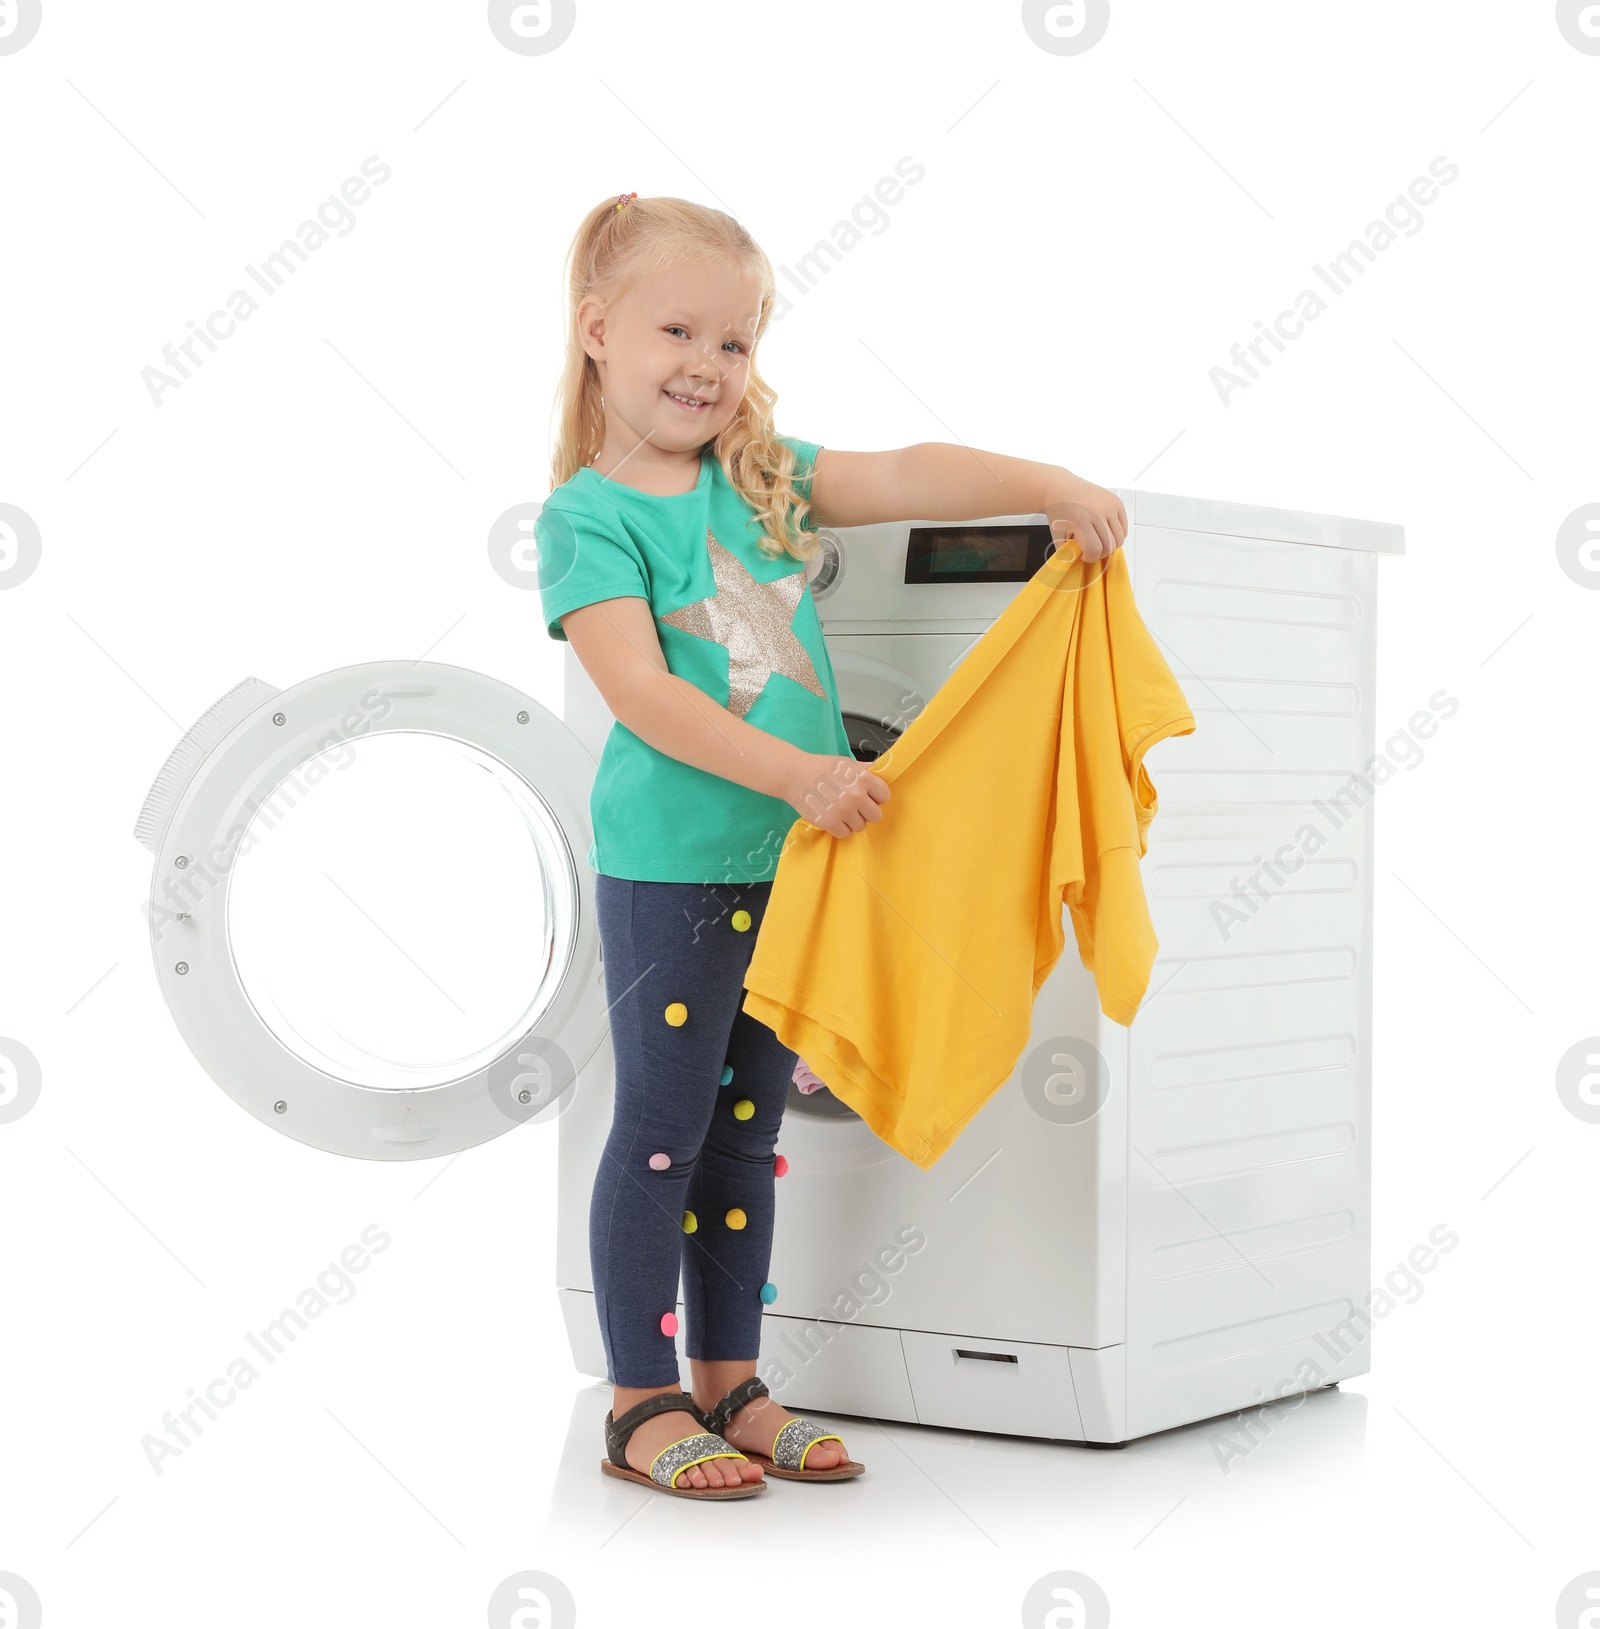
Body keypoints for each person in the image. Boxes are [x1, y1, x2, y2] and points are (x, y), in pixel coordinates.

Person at [535, 191, 1126, 1499]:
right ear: (598, 332)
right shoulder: (590, 517)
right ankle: (639, 1399)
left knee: (749, 1133)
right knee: (658, 1132)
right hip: (678, 868)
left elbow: (908, 474)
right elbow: (644, 693)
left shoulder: (762, 479)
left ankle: (730, 1380)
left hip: (793, 867)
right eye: (676, 329)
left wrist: (1048, 487)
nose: (706, 363)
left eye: (734, 341)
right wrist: (806, 772)